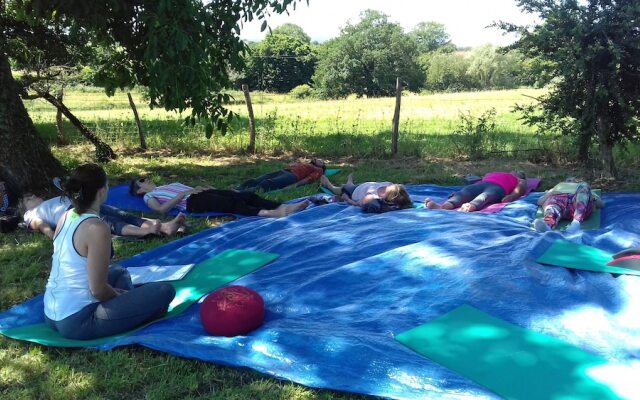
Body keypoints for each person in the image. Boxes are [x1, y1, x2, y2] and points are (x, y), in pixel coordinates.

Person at [44, 163, 175, 340]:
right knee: (165, 290)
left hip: (51, 313)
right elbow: (98, 290)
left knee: (119, 272)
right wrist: (118, 294)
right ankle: (137, 312)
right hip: (79, 321)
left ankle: (130, 310)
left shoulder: (65, 216)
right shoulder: (97, 228)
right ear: (101, 192)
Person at [19, 194, 186, 240]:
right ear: (25, 209)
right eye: (28, 199)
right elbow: (40, 224)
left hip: (82, 203)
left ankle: (164, 227)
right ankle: (142, 232)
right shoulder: (30, 214)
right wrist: (54, 236)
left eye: (32, 195)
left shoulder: (47, 202)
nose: (32, 197)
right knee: (110, 222)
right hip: (73, 213)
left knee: (121, 214)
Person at [129, 178, 309, 217]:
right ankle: (272, 213)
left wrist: (208, 188)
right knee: (232, 203)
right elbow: (160, 210)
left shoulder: (167, 185)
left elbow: (191, 188)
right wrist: (183, 194)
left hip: (201, 193)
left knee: (247, 195)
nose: (148, 179)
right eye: (143, 181)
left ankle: (281, 206)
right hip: (192, 202)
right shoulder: (150, 196)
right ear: (139, 191)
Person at [424, 171, 528, 212]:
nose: (514, 171)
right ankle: (444, 206)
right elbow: (480, 181)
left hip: (499, 187)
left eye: (517, 172)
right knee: (466, 191)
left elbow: (521, 188)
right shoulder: (495, 173)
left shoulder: (518, 179)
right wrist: (458, 194)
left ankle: (471, 206)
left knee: (486, 196)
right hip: (482, 184)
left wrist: (512, 196)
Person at [533, 180, 604, 233]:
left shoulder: (581, 187)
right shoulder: (556, 188)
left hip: (577, 203)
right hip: (558, 202)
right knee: (552, 207)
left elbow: (601, 204)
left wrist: (591, 198)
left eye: (572, 180)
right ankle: (547, 224)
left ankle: (575, 223)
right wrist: (551, 193)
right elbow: (539, 201)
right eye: (569, 180)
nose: (570, 181)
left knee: (584, 186)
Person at [320, 174, 413, 209]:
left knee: (341, 189)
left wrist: (347, 199)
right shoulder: (390, 185)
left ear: (386, 196)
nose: (387, 186)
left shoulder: (372, 197)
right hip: (365, 186)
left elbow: (357, 204)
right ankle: (349, 181)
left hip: (354, 191)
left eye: (386, 189)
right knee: (350, 185)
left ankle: (329, 185)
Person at [236, 158, 326, 192]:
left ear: (322, 166)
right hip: (284, 171)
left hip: (292, 176)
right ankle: (238, 188)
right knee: (259, 179)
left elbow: (309, 179)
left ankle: (243, 192)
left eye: (321, 161)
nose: (319, 160)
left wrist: (295, 185)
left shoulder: (319, 170)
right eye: (319, 159)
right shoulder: (307, 164)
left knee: (268, 183)